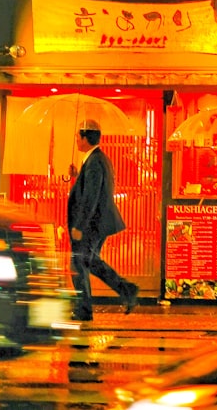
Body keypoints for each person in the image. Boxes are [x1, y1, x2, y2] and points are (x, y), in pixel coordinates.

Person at [67, 119, 138, 321]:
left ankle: (86, 308)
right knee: (88, 262)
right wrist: (77, 176)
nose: (76, 141)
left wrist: (79, 226)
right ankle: (125, 290)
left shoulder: (95, 162)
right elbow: (91, 188)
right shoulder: (96, 160)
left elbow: (91, 196)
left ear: (85, 138)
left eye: (77, 137)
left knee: (79, 264)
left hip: (92, 224)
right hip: (97, 223)